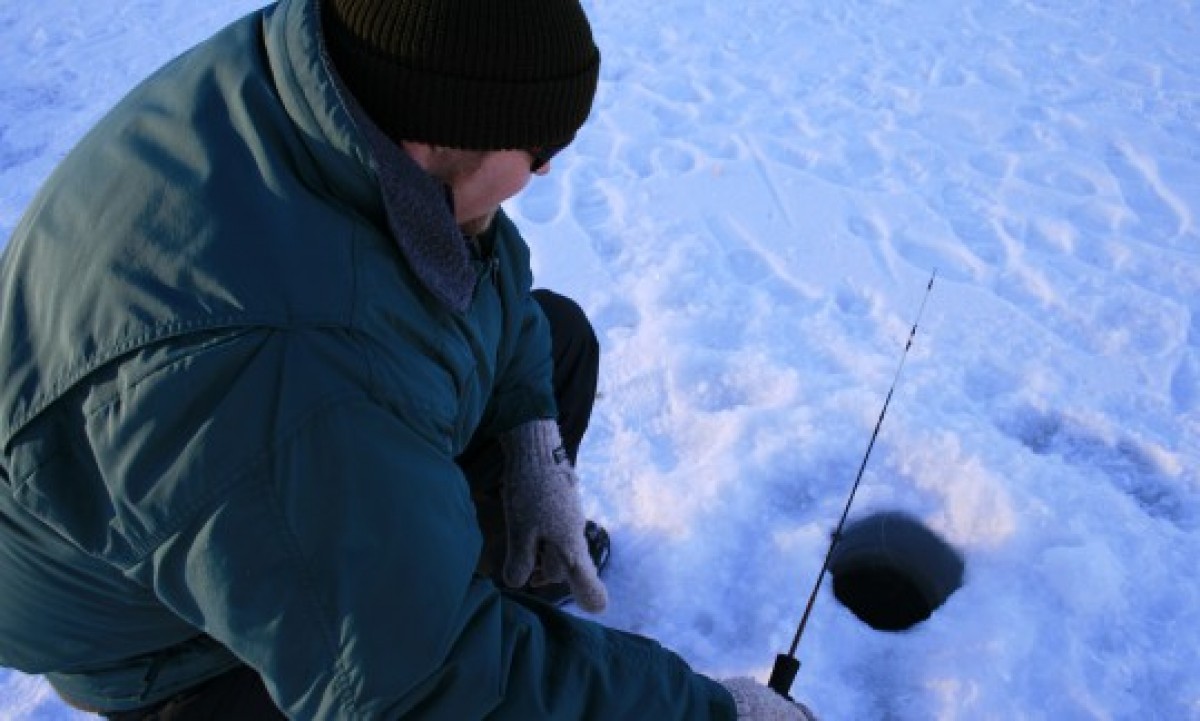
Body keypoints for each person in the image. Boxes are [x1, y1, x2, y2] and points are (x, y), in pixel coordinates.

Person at [0, 0, 818, 718]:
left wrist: (531, 439)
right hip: (170, 637)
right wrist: (718, 713)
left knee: (554, 337)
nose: (546, 167)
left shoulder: (340, 82)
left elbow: (480, 269)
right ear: (435, 138)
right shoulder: (289, 373)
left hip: (267, 433)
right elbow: (430, 687)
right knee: (406, 672)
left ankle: (467, 576)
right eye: (537, 147)